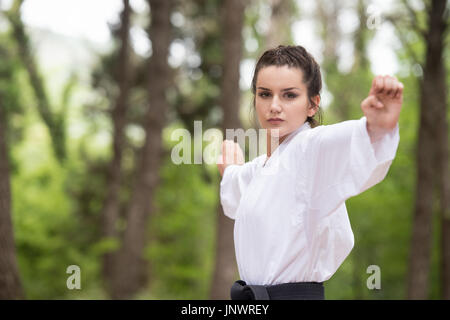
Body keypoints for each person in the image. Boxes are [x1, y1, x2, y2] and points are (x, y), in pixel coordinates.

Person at [217, 45, 403, 300]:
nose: (274, 106)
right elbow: (238, 187)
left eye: (289, 95)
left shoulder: (311, 150)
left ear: (313, 104)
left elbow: (350, 143)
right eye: (264, 94)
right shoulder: (260, 170)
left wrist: (378, 128)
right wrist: (230, 168)